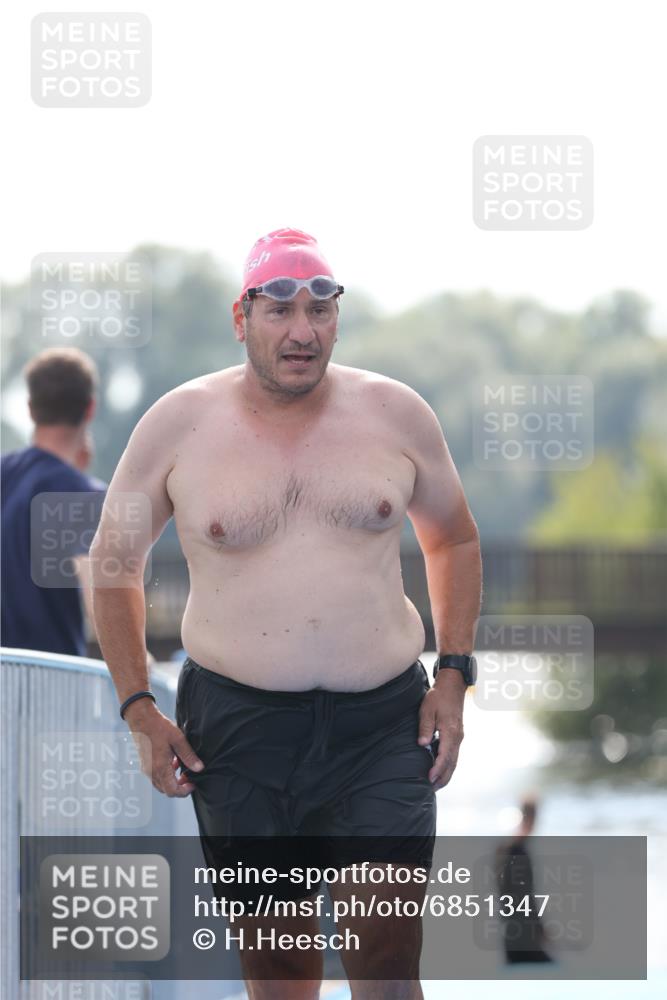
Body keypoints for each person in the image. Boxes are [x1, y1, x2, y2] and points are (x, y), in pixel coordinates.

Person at [90, 228, 482, 999]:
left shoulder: (395, 414)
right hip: (239, 731)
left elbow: (455, 539)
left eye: (319, 309)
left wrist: (454, 677)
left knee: (387, 960)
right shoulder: (180, 424)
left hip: (381, 726)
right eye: (279, 311)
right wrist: (138, 708)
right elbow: (113, 567)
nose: (302, 331)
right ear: (241, 318)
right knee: (279, 975)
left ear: (338, 317)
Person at [1, 347, 106, 656]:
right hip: (53, 685)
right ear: (90, 409)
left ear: (31, 409)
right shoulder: (85, 495)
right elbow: (103, 605)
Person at [495, 795, 554, 966]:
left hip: (512, 934)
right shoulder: (516, 850)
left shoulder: (505, 848)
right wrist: (540, 929)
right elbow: (522, 896)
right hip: (523, 938)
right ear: (531, 817)